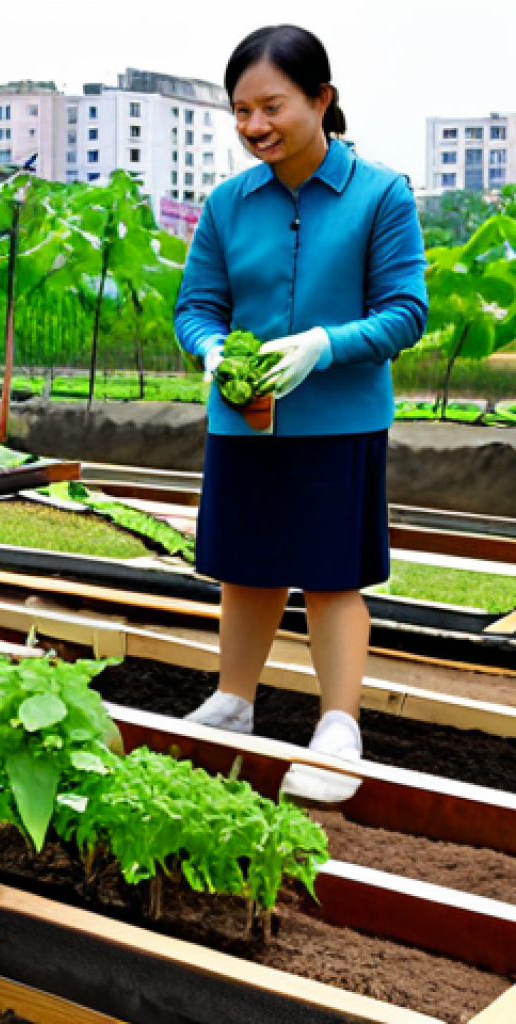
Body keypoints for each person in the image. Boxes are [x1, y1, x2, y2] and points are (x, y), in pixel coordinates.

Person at [174, 25, 428, 803]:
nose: (255, 127)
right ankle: (234, 700)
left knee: (331, 574)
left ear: (321, 99)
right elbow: (196, 309)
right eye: (241, 111)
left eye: (272, 106)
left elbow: (405, 312)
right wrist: (213, 352)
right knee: (245, 567)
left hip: (339, 420)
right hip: (242, 417)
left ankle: (339, 722)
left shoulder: (379, 195)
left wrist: (323, 344)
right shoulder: (226, 205)